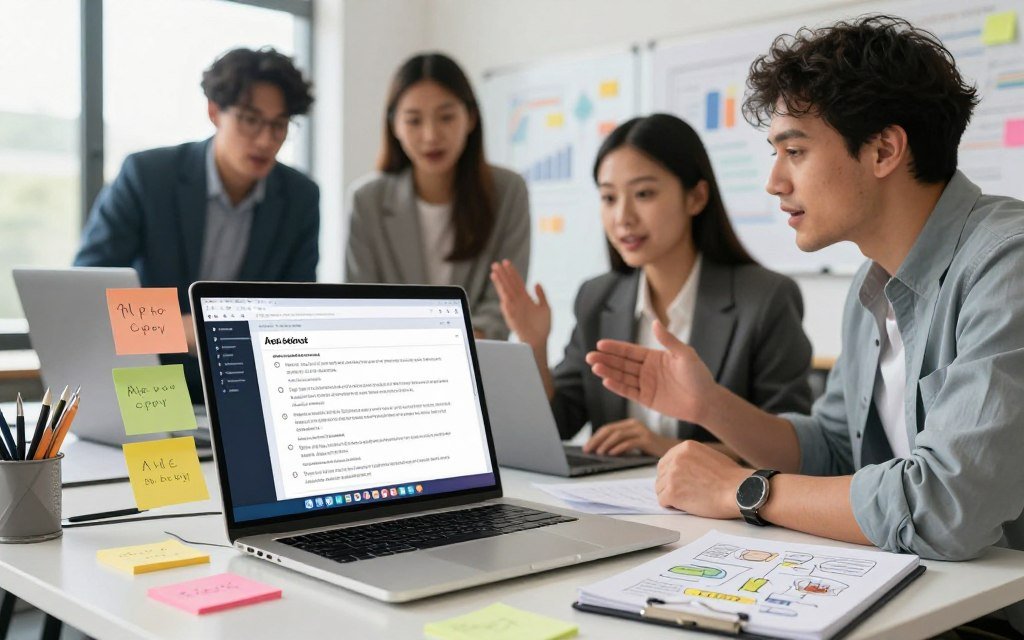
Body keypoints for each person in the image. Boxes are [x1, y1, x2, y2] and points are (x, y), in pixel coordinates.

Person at [586, 16, 1024, 634]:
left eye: (794, 151)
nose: (774, 181)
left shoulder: (1008, 263)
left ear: (883, 150)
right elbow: (833, 450)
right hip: (924, 601)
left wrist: (746, 491)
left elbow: (947, 507)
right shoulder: (870, 287)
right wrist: (708, 404)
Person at [491, 114, 813, 458]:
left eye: (643, 194)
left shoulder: (765, 299)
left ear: (696, 198)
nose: (622, 217)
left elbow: (793, 450)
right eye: (609, 198)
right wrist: (534, 345)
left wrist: (667, 449)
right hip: (611, 505)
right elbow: (557, 424)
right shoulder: (597, 298)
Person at [75, 47, 319, 399]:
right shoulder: (149, 176)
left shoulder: (300, 197)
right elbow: (88, 293)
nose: (266, 140)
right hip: (151, 381)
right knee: (168, 452)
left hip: (246, 386)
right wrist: (180, 328)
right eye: (251, 119)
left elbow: (294, 312)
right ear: (215, 111)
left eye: (279, 125)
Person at [346, 52, 529, 339]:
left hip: (478, 359)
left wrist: (452, 350)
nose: (431, 135)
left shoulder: (508, 191)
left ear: (470, 118)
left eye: (446, 117)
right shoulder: (366, 200)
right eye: (414, 120)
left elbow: (501, 305)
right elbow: (360, 304)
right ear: (394, 126)